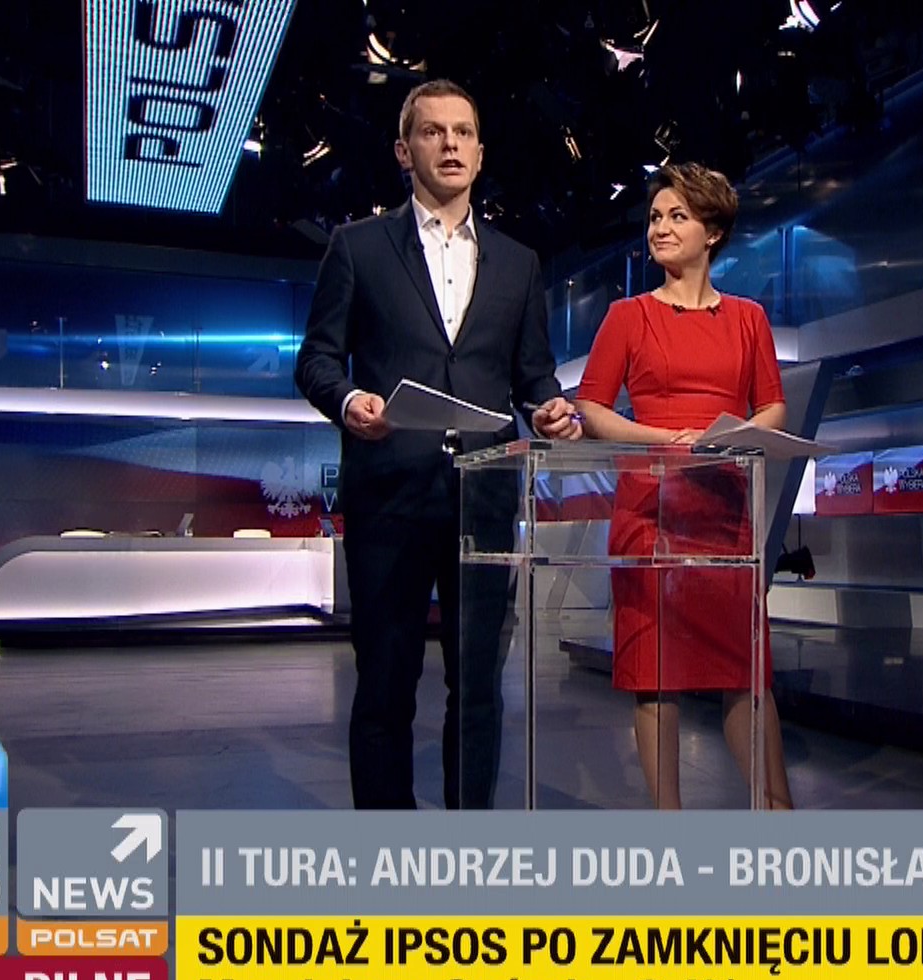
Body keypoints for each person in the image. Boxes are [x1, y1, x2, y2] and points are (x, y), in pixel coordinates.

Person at [295, 79, 582, 810]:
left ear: (480, 154)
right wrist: (349, 400)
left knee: (478, 689)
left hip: (483, 501)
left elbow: (532, 375)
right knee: (385, 687)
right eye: (433, 132)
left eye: (464, 133)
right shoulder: (357, 247)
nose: (450, 144)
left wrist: (550, 409)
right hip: (389, 495)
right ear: (404, 151)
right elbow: (317, 360)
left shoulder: (519, 263)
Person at [573, 163, 795, 811]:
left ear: (713, 232)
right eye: (654, 217)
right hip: (650, 512)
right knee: (656, 676)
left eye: (677, 216)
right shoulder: (628, 316)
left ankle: (778, 817)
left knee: (744, 673)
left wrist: (732, 437)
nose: (660, 228)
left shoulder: (749, 319)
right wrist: (663, 439)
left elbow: (774, 408)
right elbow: (591, 408)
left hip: (723, 512)